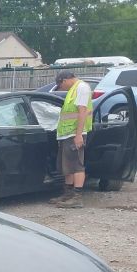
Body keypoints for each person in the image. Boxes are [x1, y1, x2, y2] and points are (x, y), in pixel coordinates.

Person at [50, 70, 93, 208]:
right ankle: (68, 194)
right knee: (67, 165)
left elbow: (82, 112)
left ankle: (77, 196)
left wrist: (79, 134)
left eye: (61, 85)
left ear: (65, 80)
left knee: (76, 165)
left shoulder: (81, 88)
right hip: (67, 133)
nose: (63, 88)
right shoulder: (74, 89)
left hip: (74, 133)